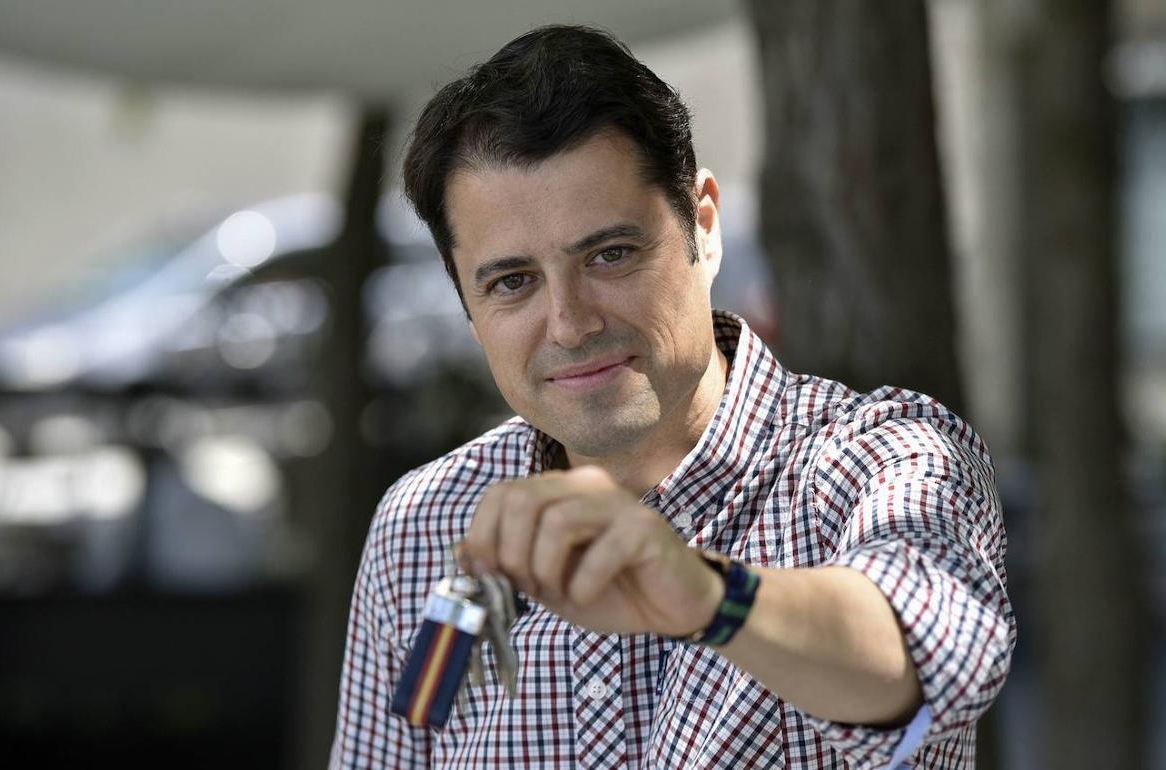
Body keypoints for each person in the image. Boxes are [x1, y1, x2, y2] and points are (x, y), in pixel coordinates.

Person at [331, 24, 1014, 770]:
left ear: (705, 227)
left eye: (610, 254)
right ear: (467, 304)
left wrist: (708, 597)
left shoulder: (880, 456)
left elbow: (936, 652)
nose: (570, 322)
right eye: (513, 281)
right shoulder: (423, 522)